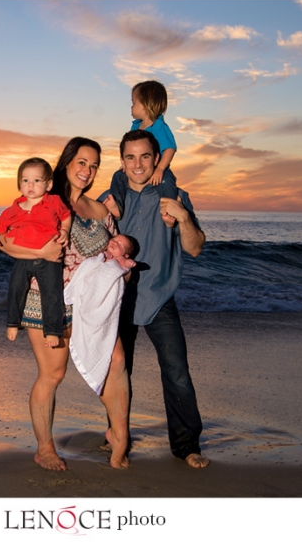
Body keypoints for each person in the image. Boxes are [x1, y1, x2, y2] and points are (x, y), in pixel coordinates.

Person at [0, 137, 131, 471]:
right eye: (82, 162)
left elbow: (115, 252)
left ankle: (120, 436)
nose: (88, 170)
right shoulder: (42, 201)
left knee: (115, 360)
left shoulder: (99, 210)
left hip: (92, 304)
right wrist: (41, 253)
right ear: (67, 162)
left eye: (94, 164)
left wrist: (121, 271)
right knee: (53, 373)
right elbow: (5, 241)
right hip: (45, 299)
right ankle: (44, 449)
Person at [101, 129, 210, 469]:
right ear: (122, 161)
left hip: (160, 296)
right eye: (130, 157)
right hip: (117, 298)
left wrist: (183, 216)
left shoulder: (173, 196)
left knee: (177, 371)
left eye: (145, 156)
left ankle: (186, 446)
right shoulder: (109, 200)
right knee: (117, 372)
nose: (137, 164)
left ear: (156, 158)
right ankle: (117, 437)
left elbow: (194, 247)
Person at [0, 157, 72, 348]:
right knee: (16, 288)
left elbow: (66, 217)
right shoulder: (15, 208)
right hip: (24, 259)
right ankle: (12, 323)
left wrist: (64, 230)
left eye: (37, 180)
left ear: (48, 184)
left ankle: (52, 330)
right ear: (19, 184)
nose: (30, 185)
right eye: (25, 180)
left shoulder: (54, 202)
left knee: (52, 294)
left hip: (49, 261)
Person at [64, 234, 137, 396]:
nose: (114, 242)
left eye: (119, 244)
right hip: (87, 297)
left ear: (125, 254)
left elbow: (125, 268)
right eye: (114, 239)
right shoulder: (102, 256)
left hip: (99, 303)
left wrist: (124, 264)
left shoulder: (120, 261)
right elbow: (88, 268)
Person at [106, 80, 179, 220]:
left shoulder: (160, 127)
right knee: (118, 176)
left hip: (159, 168)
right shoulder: (136, 127)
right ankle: (117, 205)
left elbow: (170, 148)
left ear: (145, 106)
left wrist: (160, 169)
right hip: (140, 169)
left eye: (133, 103)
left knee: (167, 182)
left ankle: (169, 213)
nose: (131, 107)